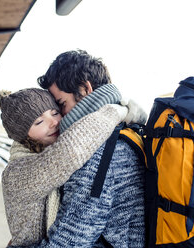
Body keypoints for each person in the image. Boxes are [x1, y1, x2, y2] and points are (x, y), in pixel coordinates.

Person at [0, 88, 146, 247]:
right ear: (23, 137)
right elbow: (70, 151)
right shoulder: (17, 174)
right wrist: (116, 111)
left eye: (54, 113)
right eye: (39, 122)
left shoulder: (46, 151)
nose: (54, 122)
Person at [33, 49, 146, 247]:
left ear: (85, 89)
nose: (60, 118)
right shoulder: (127, 127)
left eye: (61, 105)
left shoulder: (97, 149)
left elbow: (72, 238)